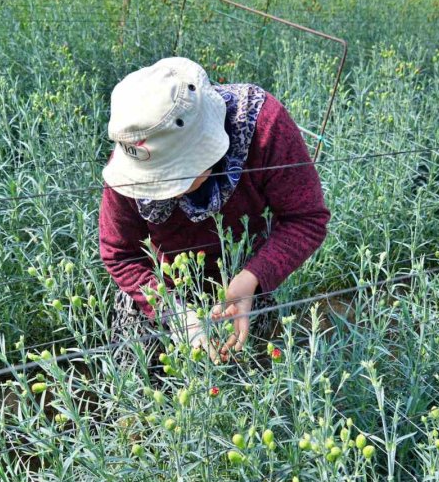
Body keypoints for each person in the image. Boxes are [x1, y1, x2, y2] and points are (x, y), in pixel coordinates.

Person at [98, 57, 330, 370]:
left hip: (245, 282)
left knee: (246, 374)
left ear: (210, 145)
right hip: (159, 287)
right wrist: (175, 314)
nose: (167, 192)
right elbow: (120, 254)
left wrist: (251, 279)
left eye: (174, 177)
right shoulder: (135, 150)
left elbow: (306, 219)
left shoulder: (263, 127)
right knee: (142, 376)